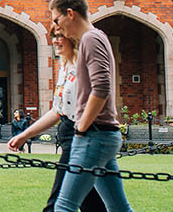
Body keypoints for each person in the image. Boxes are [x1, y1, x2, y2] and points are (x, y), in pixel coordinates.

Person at [49, 0, 134, 212]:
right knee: (118, 207)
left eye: (57, 20)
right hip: (102, 135)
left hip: (94, 135)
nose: (57, 27)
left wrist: (81, 128)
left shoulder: (90, 38)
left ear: (70, 13)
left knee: (64, 206)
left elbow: (102, 87)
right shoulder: (94, 37)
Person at [11, 25, 106, 212]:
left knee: (58, 203)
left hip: (79, 139)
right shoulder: (65, 67)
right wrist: (25, 135)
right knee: (94, 202)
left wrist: (81, 129)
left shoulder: (83, 66)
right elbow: (57, 111)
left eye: (59, 36)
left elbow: (101, 93)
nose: (55, 41)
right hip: (70, 138)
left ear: (72, 38)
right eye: (53, 36)